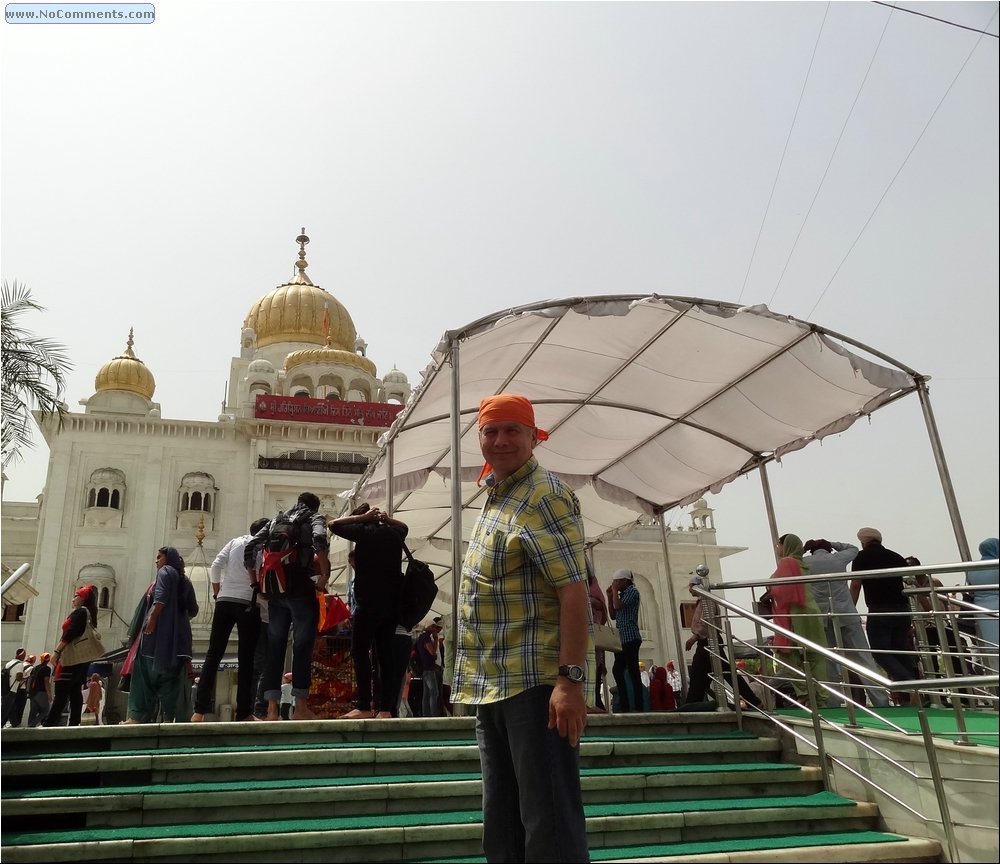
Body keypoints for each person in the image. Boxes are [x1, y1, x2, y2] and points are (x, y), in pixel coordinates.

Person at [452, 394, 590, 863]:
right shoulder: (497, 498)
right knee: (503, 822)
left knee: (548, 821)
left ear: (534, 437)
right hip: (493, 684)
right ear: (480, 439)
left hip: (535, 686)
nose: (501, 440)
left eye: (513, 430)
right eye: (491, 431)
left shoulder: (543, 495)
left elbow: (573, 591)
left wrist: (570, 682)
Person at [245, 492, 330, 722]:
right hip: (301, 590)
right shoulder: (314, 518)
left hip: (275, 591)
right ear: (315, 505)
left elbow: (250, 548)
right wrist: (324, 573)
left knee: (275, 650)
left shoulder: (276, 520)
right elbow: (320, 541)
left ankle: (271, 710)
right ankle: (300, 708)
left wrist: (256, 583)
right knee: (302, 648)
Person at [328, 503, 408, 719]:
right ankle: (385, 709)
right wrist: (388, 519)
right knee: (385, 657)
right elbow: (404, 527)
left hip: (367, 604)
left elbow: (333, 524)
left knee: (360, 653)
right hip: (390, 606)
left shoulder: (363, 532)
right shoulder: (394, 533)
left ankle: (363, 705)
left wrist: (360, 518)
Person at [192, 517, 270, 723]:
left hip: (225, 601)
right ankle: (243, 712)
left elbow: (216, 565)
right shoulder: (263, 547)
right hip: (247, 603)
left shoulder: (235, 541)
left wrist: (218, 593)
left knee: (213, 655)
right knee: (246, 659)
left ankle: (198, 711)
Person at [803, 538, 889, 708]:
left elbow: (790, 561)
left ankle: (833, 701)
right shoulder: (838, 559)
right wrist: (834, 544)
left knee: (827, 662)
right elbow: (853, 548)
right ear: (829, 549)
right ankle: (881, 700)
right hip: (846, 613)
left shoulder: (805, 562)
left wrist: (804, 549)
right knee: (864, 659)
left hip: (822, 617)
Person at [124, 547, 199, 723]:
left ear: (168, 559)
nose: (156, 561)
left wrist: (153, 618)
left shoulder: (165, 572)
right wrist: (176, 620)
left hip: (155, 639)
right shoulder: (185, 581)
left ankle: (138, 716)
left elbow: (161, 597)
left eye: (159, 557)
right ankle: (171, 718)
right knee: (172, 683)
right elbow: (193, 609)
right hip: (178, 644)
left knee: (144, 678)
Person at [850, 527, 919, 706]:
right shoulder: (895, 556)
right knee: (900, 650)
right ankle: (913, 691)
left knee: (880, 652)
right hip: (902, 608)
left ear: (863, 541)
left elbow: (856, 584)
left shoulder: (861, 557)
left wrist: (850, 607)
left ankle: (911, 685)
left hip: (879, 608)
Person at [683, 573, 760, 708]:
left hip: (709, 641)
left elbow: (707, 623)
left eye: (690, 586)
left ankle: (754, 700)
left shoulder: (707, 601)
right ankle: (691, 705)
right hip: (706, 642)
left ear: (696, 586)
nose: (689, 589)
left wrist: (694, 638)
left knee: (725, 672)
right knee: (698, 675)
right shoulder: (703, 601)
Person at [768, 534, 828, 707]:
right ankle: (820, 698)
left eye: (779, 545)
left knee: (785, 654)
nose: (778, 549)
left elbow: (782, 591)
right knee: (815, 657)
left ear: (785, 545)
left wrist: (770, 589)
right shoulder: (802, 563)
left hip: (795, 613)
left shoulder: (787, 563)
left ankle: (805, 692)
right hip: (811, 612)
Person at [44, 585, 100, 727]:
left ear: (83, 598)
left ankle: (50, 722)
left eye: (76, 595)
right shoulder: (89, 614)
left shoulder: (80, 612)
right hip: (82, 658)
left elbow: (71, 633)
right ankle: (74, 722)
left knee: (62, 690)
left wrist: (57, 652)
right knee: (75, 690)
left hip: (72, 657)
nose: (73, 599)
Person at [607, 569, 644, 713]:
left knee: (633, 671)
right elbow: (613, 614)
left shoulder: (632, 592)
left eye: (616, 581)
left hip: (630, 637)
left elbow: (618, 606)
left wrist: (615, 592)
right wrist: (610, 596)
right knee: (618, 670)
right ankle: (625, 705)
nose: (614, 584)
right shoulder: (621, 595)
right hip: (621, 639)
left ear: (624, 581)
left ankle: (638, 705)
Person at [966, 537, 999, 675]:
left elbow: (970, 590)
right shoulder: (996, 565)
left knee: (991, 648)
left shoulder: (972, 569)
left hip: (981, 610)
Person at [587, 564, 610, 710]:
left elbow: (600, 605)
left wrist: (587, 600)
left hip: (593, 632)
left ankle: (595, 701)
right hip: (578, 632)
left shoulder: (592, 587)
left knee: (595, 667)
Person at [416, 618, 444, 717]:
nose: (434, 629)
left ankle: (426, 714)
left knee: (427, 694)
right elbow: (432, 652)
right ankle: (433, 715)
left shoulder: (422, 637)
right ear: (428, 626)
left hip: (425, 668)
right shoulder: (426, 637)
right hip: (429, 668)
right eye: (433, 626)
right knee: (434, 692)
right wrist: (436, 639)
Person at [27, 652, 53, 727]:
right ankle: (32, 724)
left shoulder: (35, 668)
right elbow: (46, 682)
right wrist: (49, 695)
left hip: (33, 692)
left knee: (33, 711)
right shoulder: (47, 669)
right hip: (41, 692)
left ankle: (29, 727)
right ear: (48, 660)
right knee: (45, 710)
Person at [3, 648, 28, 727]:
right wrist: (25, 678)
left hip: (5, 689)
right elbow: (18, 677)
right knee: (5, 710)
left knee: (11, 709)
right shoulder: (20, 664)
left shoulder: (9, 663)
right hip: (12, 690)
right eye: (24, 656)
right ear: (21, 656)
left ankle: (16, 724)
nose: (24, 657)